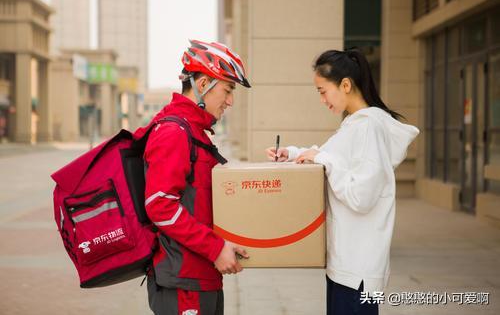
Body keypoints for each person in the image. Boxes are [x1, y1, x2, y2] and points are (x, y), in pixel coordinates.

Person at [266, 49, 419, 315]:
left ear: (345, 84)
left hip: (357, 269)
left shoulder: (369, 127)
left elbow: (361, 195)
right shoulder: (355, 125)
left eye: (323, 91)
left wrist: (324, 159)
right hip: (346, 264)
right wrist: (291, 153)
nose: (322, 100)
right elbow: (331, 156)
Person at [138, 40, 251, 315]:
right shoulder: (173, 132)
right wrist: (215, 248)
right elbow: (160, 205)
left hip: (201, 276)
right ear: (202, 85)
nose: (230, 101)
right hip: (183, 283)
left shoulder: (195, 132)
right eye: (227, 90)